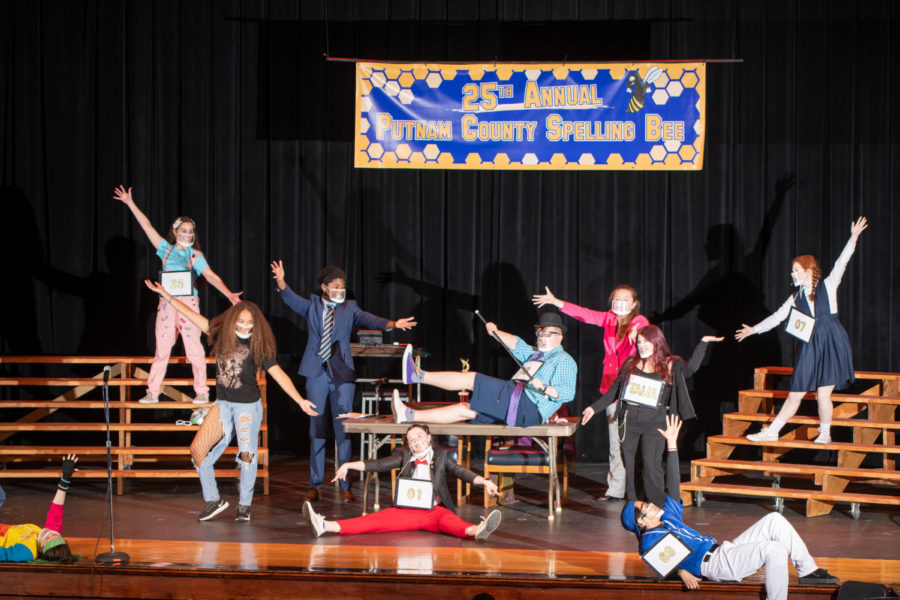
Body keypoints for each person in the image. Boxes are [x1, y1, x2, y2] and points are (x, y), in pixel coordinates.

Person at [144, 280, 318, 522]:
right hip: (222, 405)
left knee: (247, 455)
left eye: (250, 322)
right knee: (198, 450)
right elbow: (193, 316)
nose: (245, 325)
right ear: (233, 320)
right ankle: (214, 500)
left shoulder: (258, 346)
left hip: (248, 407)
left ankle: (244, 506)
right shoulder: (220, 335)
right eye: (241, 321)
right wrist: (166, 295)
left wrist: (300, 400)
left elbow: (279, 374)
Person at [622, 415, 838, 598]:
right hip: (715, 566)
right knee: (774, 549)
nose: (651, 505)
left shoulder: (667, 517)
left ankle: (808, 569)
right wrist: (680, 572)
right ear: (641, 520)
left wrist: (671, 445)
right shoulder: (649, 540)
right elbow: (659, 561)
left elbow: (674, 486)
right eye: (646, 507)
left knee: (774, 520)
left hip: (723, 551)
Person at [270, 260, 417, 503]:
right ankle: (315, 484)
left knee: (344, 429)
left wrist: (393, 324)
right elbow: (290, 299)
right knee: (316, 429)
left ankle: (345, 483)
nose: (341, 290)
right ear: (324, 287)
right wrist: (281, 280)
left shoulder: (350, 308)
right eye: (336, 286)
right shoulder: (313, 306)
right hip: (316, 373)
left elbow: (371, 319)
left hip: (342, 375)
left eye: (343, 286)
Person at [736, 217, 868, 444]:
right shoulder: (795, 298)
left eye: (796, 270)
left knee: (823, 394)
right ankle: (773, 431)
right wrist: (754, 330)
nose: (793, 274)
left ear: (809, 270)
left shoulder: (827, 285)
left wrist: (853, 238)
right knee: (795, 392)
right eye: (792, 271)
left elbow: (842, 262)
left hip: (831, 340)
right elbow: (778, 317)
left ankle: (825, 433)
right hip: (811, 345)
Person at [114, 185, 242, 405]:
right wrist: (130, 203)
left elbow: (210, 275)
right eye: (184, 230)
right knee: (162, 350)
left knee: (194, 349)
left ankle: (201, 391)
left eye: (191, 231)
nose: (188, 234)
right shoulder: (166, 249)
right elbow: (147, 226)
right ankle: (153, 391)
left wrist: (229, 294)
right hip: (166, 305)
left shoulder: (195, 255)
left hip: (188, 305)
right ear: (175, 231)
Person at [582, 325, 721, 507]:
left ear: (657, 342)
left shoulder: (671, 364)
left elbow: (691, 370)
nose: (642, 346)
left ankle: (658, 505)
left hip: (654, 420)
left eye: (647, 342)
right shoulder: (630, 364)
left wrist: (703, 343)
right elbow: (614, 392)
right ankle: (635, 504)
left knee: (650, 464)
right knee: (630, 466)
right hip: (629, 420)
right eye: (639, 342)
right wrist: (593, 408)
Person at [533, 284, 648, 501]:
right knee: (616, 442)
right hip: (611, 390)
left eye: (625, 299)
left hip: (635, 390)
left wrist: (637, 329)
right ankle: (615, 490)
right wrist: (557, 302)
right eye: (616, 299)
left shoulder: (637, 321)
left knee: (638, 443)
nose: (620, 303)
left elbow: (643, 325)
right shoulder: (608, 319)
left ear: (634, 304)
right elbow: (585, 315)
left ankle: (639, 491)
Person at [302, 424, 502, 541]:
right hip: (406, 510)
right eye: (411, 439)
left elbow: (460, 471)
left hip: (434, 510)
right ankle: (323, 525)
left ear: (429, 437)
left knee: (451, 522)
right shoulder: (405, 455)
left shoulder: (441, 456)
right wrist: (349, 465)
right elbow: (379, 465)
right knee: (373, 521)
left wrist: (485, 482)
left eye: (419, 436)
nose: (415, 441)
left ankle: (478, 530)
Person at [390, 311, 576, 427]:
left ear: (560, 336)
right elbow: (517, 345)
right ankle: (408, 415)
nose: (542, 337)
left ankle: (417, 376)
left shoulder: (563, 360)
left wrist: (543, 387)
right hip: (517, 402)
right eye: (539, 333)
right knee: (466, 409)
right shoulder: (536, 354)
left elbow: (567, 393)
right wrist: (495, 332)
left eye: (547, 333)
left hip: (526, 406)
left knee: (471, 379)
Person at [1, 455, 78, 563]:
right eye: (56, 534)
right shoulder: (45, 533)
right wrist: (65, 479)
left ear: (42, 547)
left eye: (48, 538)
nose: (50, 533)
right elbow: (56, 509)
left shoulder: (28, 551)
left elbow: (4, 555)